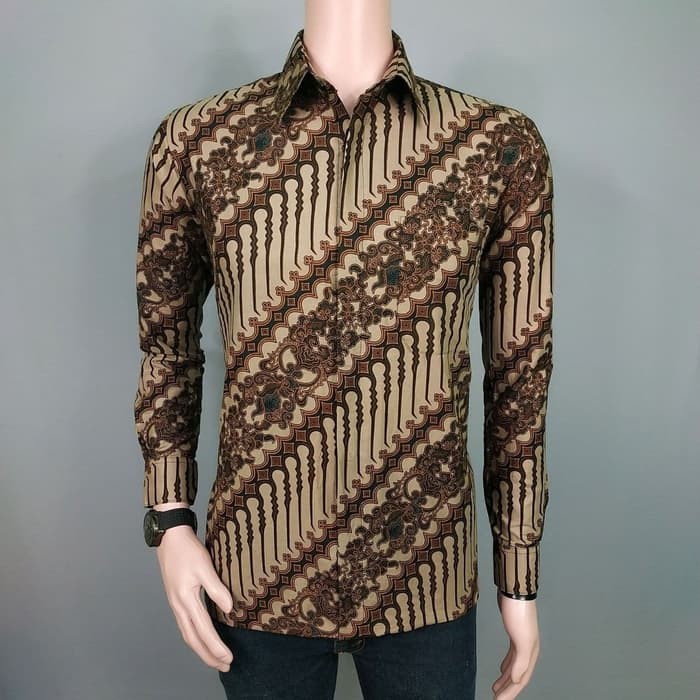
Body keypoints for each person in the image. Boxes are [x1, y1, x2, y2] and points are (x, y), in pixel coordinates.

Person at [134, 1, 554, 698]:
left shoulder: (494, 146)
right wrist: (171, 517)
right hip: (260, 571)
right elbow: (168, 350)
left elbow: (520, 379)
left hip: (424, 571)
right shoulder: (198, 141)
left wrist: (518, 574)